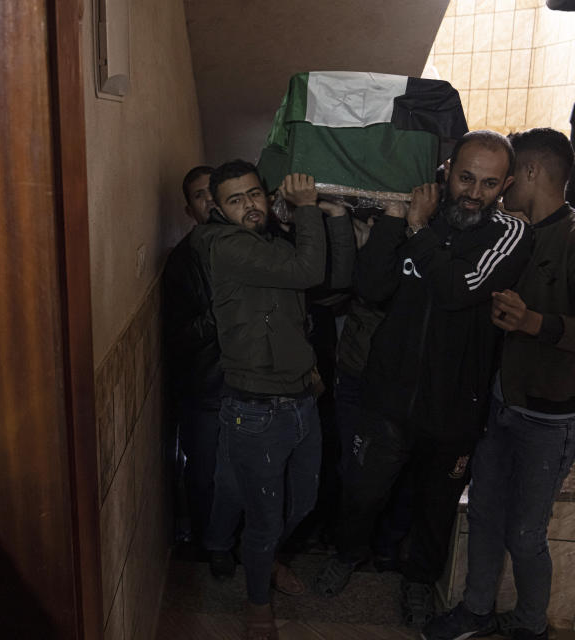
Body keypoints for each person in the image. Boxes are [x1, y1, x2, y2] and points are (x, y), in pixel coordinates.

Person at [315, 130, 534, 628]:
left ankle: (418, 583)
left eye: (488, 183)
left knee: (435, 507)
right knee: (363, 491)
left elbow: (459, 289)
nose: (474, 193)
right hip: (387, 396)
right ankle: (348, 554)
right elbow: (371, 287)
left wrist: (418, 230)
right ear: (447, 169)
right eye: (465, 178)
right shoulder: (420, 213)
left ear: (507, 184)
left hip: (456, 406)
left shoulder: (510, 233)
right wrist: (397, 218)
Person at [423, 128, 575, 640]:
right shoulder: (517, 231)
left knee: (526, 534)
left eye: (505, 181)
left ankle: (533, 627)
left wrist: (534, 322)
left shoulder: (572, 236)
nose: (498, 192)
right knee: (484, 514)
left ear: (530, 172)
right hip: (499, 403)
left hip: (549, 418)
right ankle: (476, 611)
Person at [195, 160, 353, 640]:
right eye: (235, 200)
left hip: (301, 398)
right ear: (218, 210)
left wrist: (337, 218)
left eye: (255, 194)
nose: (250, 206)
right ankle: (256, 601)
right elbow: (307, 270)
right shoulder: (225, 246)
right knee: (264, 516)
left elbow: (334, 279)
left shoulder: (269, 243)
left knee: (301, 502)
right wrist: (306, 211)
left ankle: (261, 556)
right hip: (256, 409)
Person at [162, 165, 223, 546]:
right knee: (204, 474)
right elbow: (178, 336)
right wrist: (222, 314)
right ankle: (207, 549)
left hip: (250, 387)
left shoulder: (249, 247)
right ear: (189, 210)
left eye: (214, 191)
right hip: (206, 389)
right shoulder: (183, 261)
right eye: (200, 195)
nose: (210, 200)